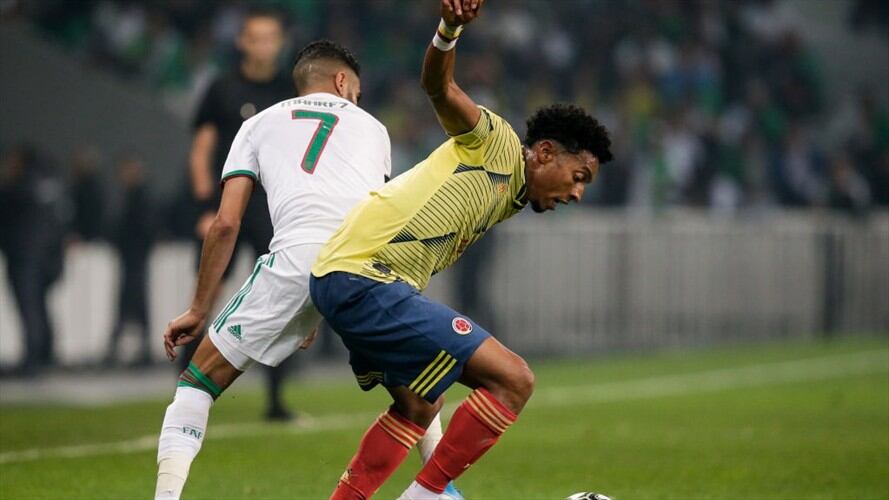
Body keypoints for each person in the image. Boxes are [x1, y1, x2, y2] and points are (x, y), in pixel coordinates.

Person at [309, 2, 614, 499]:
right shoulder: (495, 144)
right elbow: (438, 88)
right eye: (578, 177)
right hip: (365, 278)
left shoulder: (513, 196)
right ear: (544, 153)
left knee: (418, 405)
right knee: (513, 379)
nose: (577, 193)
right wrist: (449, 30)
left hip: (345, 280)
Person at [156, 40, 458, 500]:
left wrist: (199, 308)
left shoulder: (255, 125)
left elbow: (225, 223)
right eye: (354, 91)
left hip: (295, 257)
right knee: (418, 394)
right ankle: (443, 494)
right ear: (342, 82)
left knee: (196, 385)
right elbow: (379, 214)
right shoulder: (375, 129)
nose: (355, 99)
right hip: (361, 266)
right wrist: (326, 299)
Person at [188, 8, 295, 420]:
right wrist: (204, 206)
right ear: (242, 42)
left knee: (281, 299)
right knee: (208, 291)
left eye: (271, 37)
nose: (263, 45)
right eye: (256, 37)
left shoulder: (292, 89)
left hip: (273, 207)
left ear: (279, 42)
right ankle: (185, 384)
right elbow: (201, 149)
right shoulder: (222, 88)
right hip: (229, 204)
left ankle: (276, 399)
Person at [104, 155, 155, 366]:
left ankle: (134, 348)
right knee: (132, 303)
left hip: (135, 258)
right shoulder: (127, 197)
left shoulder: (137, 198)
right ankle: (137, 347)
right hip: (131, 258)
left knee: (133, 302)